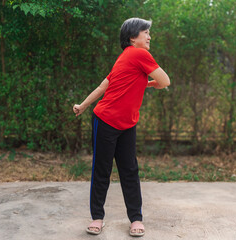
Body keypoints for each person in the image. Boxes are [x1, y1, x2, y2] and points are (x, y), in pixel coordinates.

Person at [73, 17, 170, 237]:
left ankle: (101, 219)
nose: (149, 36)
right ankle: (131, 220)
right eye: (145, 32)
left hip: (126, 124)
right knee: (116, 171)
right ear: (132, 37)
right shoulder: (138, 54)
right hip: (106, 121)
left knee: (116, 170)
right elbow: (165, 81)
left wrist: (83, 105)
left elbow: (103, 86)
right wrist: (153, 83)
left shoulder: (125, 59)